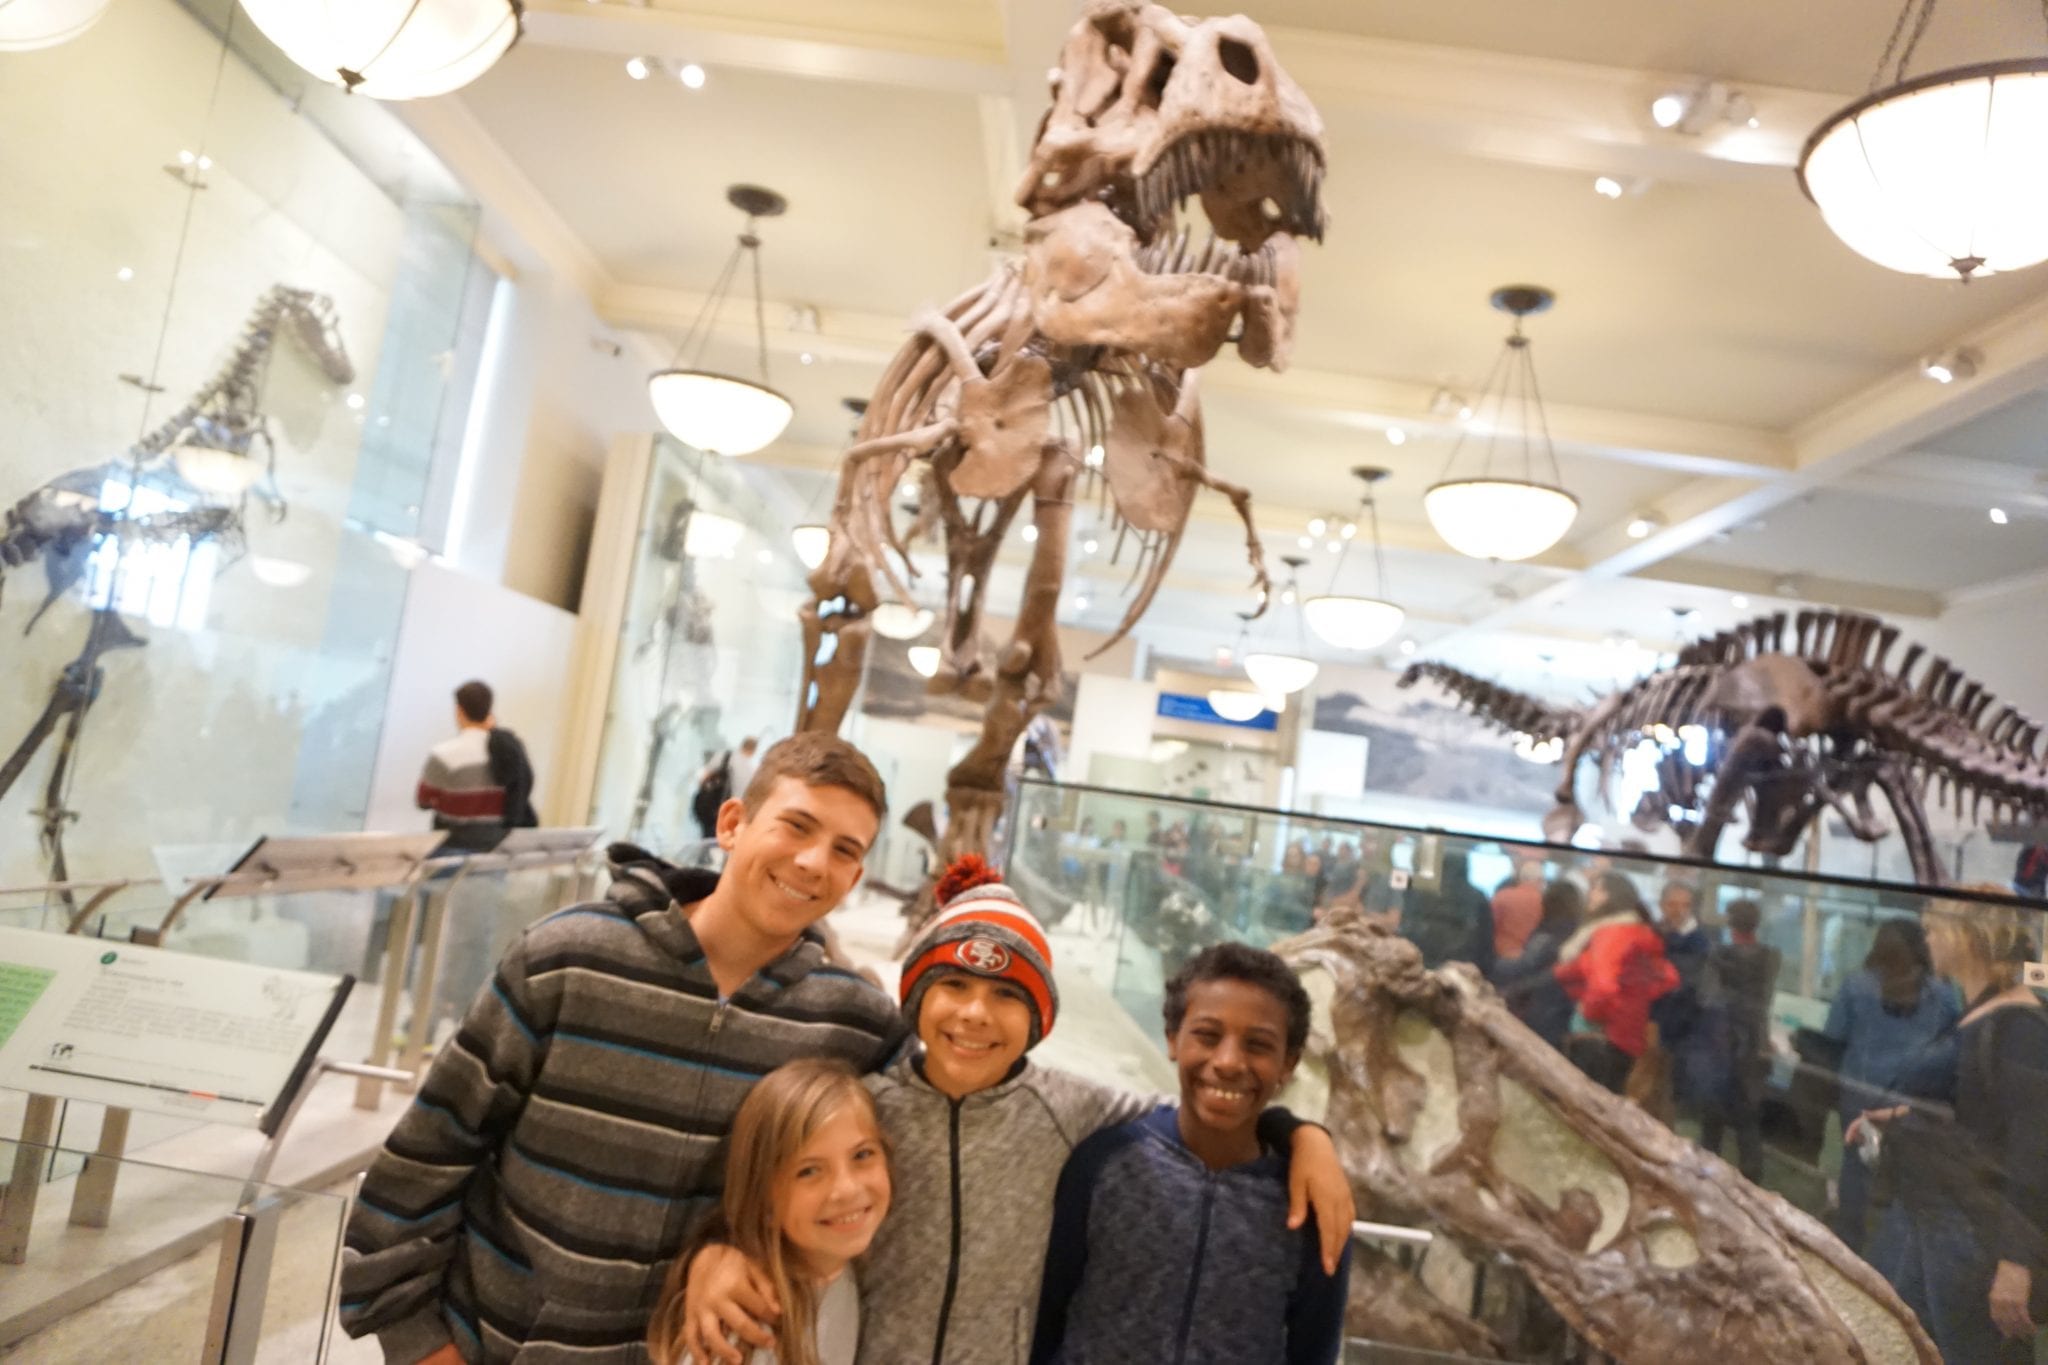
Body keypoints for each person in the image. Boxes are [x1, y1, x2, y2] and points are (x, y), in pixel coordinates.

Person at [340, 734, 908, 1365]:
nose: (811, 861)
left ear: (855, 877)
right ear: (732, 822)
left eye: (843, 850)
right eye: (795, 826)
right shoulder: (567, 960)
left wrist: (732, 1248)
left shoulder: (854, 1026)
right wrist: (420, 1343)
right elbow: (425, 1161)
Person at [676, 859, 1354, 1365]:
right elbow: (779, 1179)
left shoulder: (1075, 1109)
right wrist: (721, 1247)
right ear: (918, 997)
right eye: (955, 985)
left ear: (1036, 1017)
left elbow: (1199, 1112)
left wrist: (1302, 1135)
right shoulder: (867, 1105)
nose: (974, 1013)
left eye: (1005, 994)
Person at [1029, 942, 1351, 1364]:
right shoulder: (1103, 1163)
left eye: (1258, 1045)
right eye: (1208, 1035)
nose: (1229, 1061)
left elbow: (1314, 1351)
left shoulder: (1311, 1202)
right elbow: (1045, 1316)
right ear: (1172, 1039)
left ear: (1288, 1063)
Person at [1854, 889, 2048, 1365]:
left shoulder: (2019, 1026)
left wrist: (2016, 1263)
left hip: (1976, 1232)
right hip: (1939, 1216)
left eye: (1934, 930)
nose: (1927, 940)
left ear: (1968, 939)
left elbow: (2032, 1144)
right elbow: (1979, 1115)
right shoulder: (1981, 1009)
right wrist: (1907, 1116)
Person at [647, 1059, 890, 1365]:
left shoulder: (842, 1273)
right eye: (809, 1171)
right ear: (763, 1202)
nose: (847, 1189)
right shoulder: (742, 1330)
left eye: (862, 1154)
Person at [1820, 917, 1960, 1252]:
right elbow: (1954, 1043)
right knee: (1906, 1178)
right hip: (1913, 1101)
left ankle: (1849, 1246)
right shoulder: (1942, 992)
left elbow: (1834, 1034)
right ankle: (1894, 1255)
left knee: (1857, 1170)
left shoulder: (1855, 985)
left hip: (1860, 1094)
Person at [1555, 871, 1679, 1095]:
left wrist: (1593, 1011)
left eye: (1598, 889)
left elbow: (1602, 986)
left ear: (1612, 897)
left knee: (1585, 1110)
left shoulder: (1611, 933)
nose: (1591, 894)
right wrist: (1630, 998)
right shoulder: (1639, 932)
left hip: (1598, 1038)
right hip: (1626, 1036)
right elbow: (1668, 977)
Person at [1696, 899, 1782, 1181]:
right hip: (1754, 1048)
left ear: (1730, 924)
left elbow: (1708, 999)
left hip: (1720, 1048)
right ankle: (1752, 1188)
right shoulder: (1770, 957)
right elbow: (1762, 1001)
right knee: (1748, 1124)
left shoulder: (1719, 956)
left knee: (1712, 1123)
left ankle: (1705, 1183)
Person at [416, 680, 539, 853]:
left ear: (459, 710)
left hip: (451, 848)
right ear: (489, 709)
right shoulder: (509, 751)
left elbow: (423, 801)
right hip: (495, 850)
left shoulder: (443, 754)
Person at [1491, 879, 1584, 1053]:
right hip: (1565, 1012)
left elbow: (1525, 967)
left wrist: (1493, 964)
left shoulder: (1546, 935)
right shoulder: (1579, 935)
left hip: (1540, 1010)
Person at [1490, 855, 1545, 959]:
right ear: (1540, 880)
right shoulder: (1545, 902)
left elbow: (1488, 927)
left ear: (1520, 878)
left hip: (1500, 955)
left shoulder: (1502, 896)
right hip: (1531, 959)